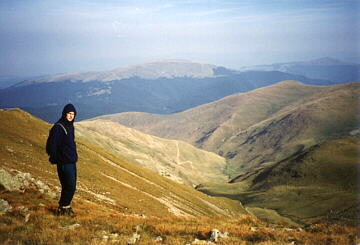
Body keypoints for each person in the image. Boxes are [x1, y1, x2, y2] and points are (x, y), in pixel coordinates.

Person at [47, 104, 78, 216]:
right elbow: (51, 144)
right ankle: (63, 208)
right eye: (69, 113)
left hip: (71, 161)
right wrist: (56, 158)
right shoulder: (58, 127)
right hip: (64, 162)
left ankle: (65, 207)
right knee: (69, 186)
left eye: (73, 114)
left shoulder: (70, 126)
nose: (71, 116)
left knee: (70, 186)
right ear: (65, 113)